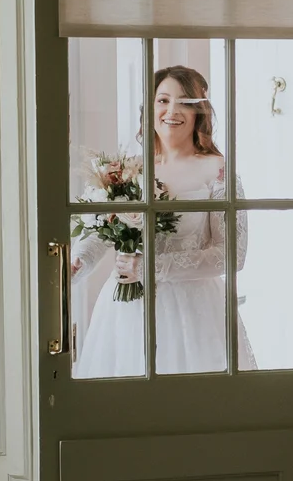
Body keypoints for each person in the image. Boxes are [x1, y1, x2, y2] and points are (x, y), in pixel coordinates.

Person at [71, 64, 255, 377]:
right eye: (163, 100)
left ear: (200, 112)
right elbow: (102, 231)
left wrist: (151, 267)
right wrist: (76, 263)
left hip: (195, 314)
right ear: (150, 107)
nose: (172, 110)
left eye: (185, 102)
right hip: (125, 314)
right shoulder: (128, 169)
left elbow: (231, 254)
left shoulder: (219, 173)